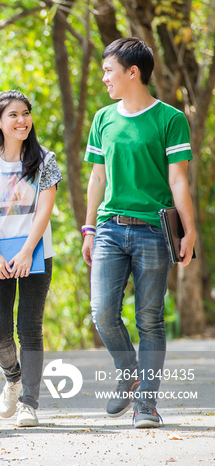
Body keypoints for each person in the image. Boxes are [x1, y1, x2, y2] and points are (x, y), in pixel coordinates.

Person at [82, 38, 195, 428]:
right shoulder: (103, 119)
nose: (104, 78)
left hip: (154, 231)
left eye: (109, 70)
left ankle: (146, 406)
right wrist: (88, 228)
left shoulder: (170, 119)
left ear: (133, 72)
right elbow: (97, 177)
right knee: (102, 313)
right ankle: (128, 368)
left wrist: (189, 231)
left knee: (150, 319)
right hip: (110, 228)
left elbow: (178, 181)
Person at [0, 90, 62, 427]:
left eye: (25, 113)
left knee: (30, 329)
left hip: (35, 253)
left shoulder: (45, 159)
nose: (21, 120)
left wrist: (26, 252)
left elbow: (44, 210)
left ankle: (29, 403)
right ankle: (13, 377)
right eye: (13, 115)